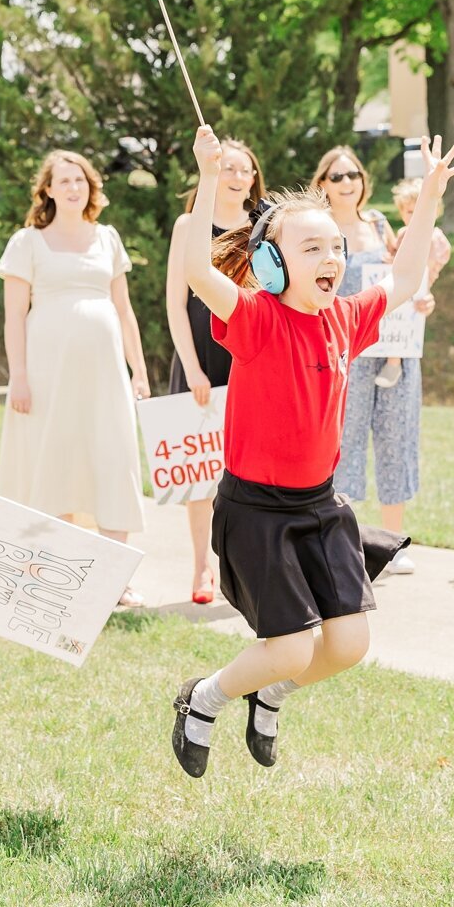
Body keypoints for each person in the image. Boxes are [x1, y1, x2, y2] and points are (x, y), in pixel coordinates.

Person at [168, 129, 454, 778]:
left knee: (348, 644)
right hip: (257, 509)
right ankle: (203, 698)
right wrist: (209, 174)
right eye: (312, 247)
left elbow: (406, 274)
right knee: (291, 646)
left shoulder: (347, 317)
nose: (331, 256)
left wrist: (431, 197)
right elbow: (195, 272)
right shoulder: (254, 317)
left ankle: (269, 696)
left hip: (321, 504)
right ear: (273, 265)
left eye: (335, 245)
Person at [0, 150, 151, 608]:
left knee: (112, 456)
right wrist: (18, 376)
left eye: (79, 180)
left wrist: (138, 370)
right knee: (55, 460)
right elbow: (13, 318)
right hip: (46, 376)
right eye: (62, 180)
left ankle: (115, 578)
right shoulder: (27, 242)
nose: (72, 187)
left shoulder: (107, 238)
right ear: (47, 190)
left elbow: (124, 311)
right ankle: (52, 569)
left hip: (105, 375)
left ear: (90, 188)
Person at [166, 138, 265, 603]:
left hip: (249, 358)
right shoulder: (190, 225)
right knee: (201, 472)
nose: (236, 177)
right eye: (228, 168)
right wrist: (191, 368)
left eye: (244, 170)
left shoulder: (264, 229)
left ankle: (241, 568)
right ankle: (202, 569)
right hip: (201, 359)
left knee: (247, 471)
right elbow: (176, 303)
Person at [317, 146, 422, 576]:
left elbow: (409, 274)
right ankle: (345, 544)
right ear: (322, 183)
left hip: (393, 345)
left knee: (396, 439)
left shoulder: (379, 223)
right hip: (344, 350)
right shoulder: (319, 230)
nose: (347, 183)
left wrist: (423, 300)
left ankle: (393, 544)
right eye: (337, 176)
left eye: (353, 174)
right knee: (343, 445)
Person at [374, 178, 450, 390]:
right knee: (394, 313)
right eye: (409, 212)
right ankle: (388, 352)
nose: (415, 216)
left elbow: (430, 263)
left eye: (421, 210)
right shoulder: (403, 234)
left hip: (419, 282)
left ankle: (394, 361)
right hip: (402, 279)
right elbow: (397, 256)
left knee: (407, 315)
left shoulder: (435, 237)